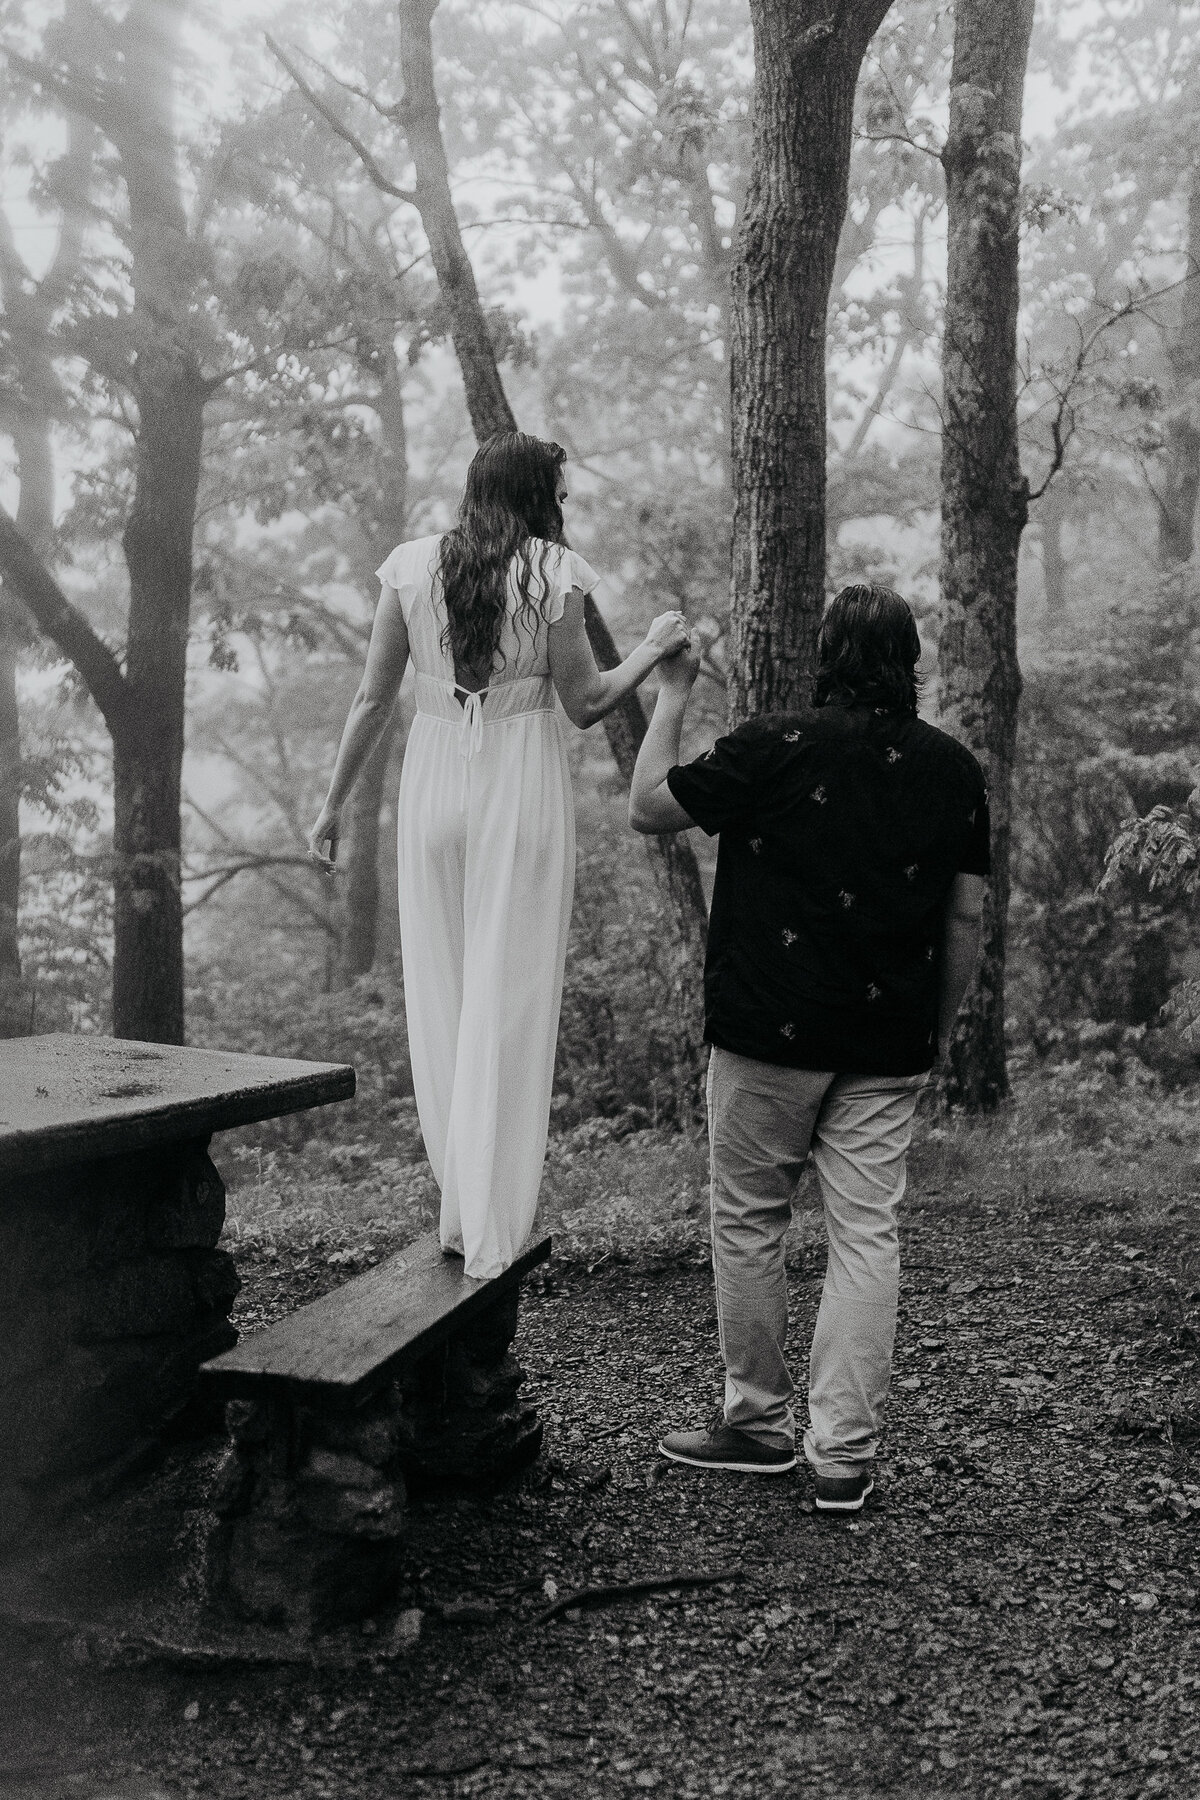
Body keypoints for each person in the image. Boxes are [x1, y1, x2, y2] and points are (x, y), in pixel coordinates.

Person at [629, 583, 987, 1512]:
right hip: (886, 1040)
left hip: (765, 1030)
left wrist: (671, 692)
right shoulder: (954, 770)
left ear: (825, 654)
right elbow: (968, 912)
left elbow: (648, 807)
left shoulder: (771, 744)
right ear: (910, 662)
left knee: (750, 1219)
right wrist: (938, 1031)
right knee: (868, 1233)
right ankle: (842, 1459)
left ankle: (756, 1426)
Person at [308, 431, 691, 1281]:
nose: (563, 502)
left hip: (435, 782)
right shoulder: (554, 573)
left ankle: (459, 1209)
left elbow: (374, 699)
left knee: (444, 993)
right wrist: (655, 646)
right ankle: (494, 1217)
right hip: (518, 779)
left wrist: (332, 807)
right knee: (509, 996)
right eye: (556, 487)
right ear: (532, 494)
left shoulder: (409, 567)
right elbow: (587, 702)